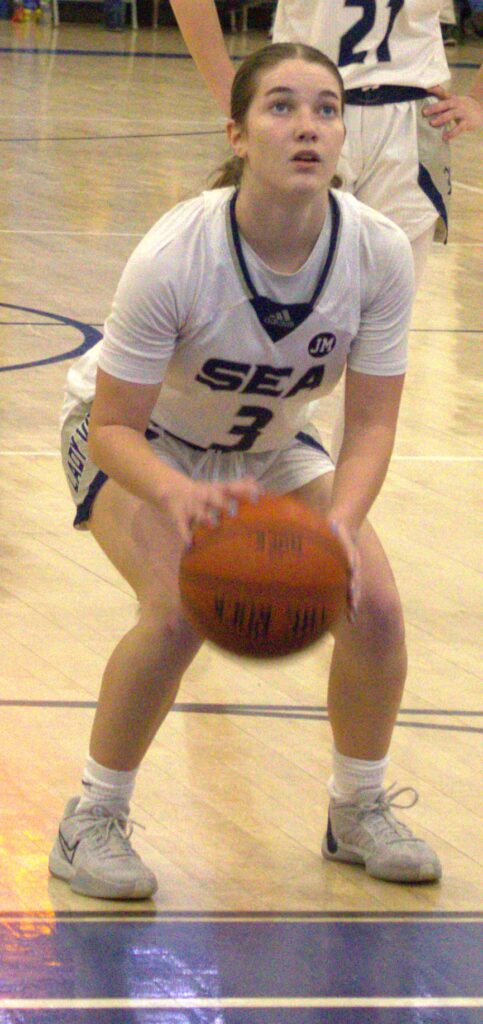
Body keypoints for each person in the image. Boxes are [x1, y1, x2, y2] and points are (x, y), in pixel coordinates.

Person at [50, 43, 442, 900]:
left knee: (370, 600)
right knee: (178, 608)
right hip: (142, 443)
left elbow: (371, 422)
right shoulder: (179, 251)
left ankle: (357, 807)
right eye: (281, 107)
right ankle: (91, 820)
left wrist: (340, 520)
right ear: (237, 132)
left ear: (342, 134)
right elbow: (114, 424)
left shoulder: (373, 251)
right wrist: (177, 491)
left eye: (326, 109)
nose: (308, 126)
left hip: (269, 445)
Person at [169, 0, 483, 290]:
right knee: (283, 298)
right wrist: (231, 92)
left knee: (389, 300)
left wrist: (477, 101)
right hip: (304, 107)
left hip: (410, 116)